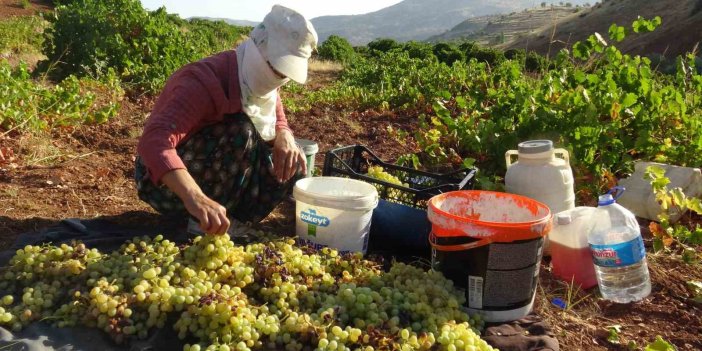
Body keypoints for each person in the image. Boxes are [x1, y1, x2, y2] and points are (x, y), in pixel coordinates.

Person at [135, 5, 317, 235]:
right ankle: (199, 220)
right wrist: (195, 197)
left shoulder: (256, 83)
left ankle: (231, 221)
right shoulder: (202, 82)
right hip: (164, 184)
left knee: (294, 160)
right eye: (275, 69)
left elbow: (273, 105)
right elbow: (153, 143)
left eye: (284, 75)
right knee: (241, 130)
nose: (278, 78)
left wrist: (284, 134)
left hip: (217, 176)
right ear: (258, 49)